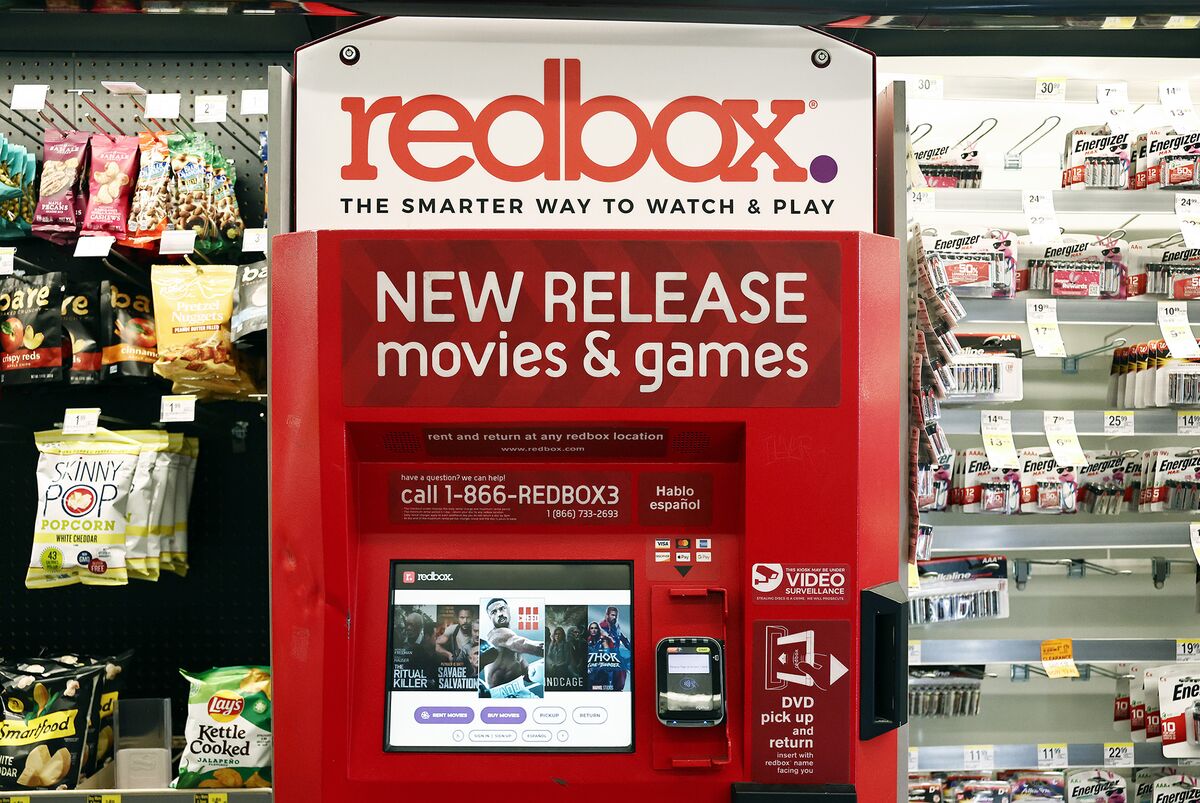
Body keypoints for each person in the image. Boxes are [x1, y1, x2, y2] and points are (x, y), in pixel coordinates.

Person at [479, 598, 544, 695]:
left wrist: (536, 672)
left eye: (502, 608)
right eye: (494, 612)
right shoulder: (497, 635)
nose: (499, 614)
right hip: (504, 696)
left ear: (508, 609)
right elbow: (527, 645)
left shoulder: (511, 643)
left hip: (520, 691)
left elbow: (526, 673)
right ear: (490, 617)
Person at [598, 606, 630, 691]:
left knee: (621, 676)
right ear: (607, 615)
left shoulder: (616, 627)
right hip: (605, 656)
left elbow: (623, 639)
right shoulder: (601, 627)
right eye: (612, 615)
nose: (614, 617)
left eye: (615, 615)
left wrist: (632, 648)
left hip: (616, 655)